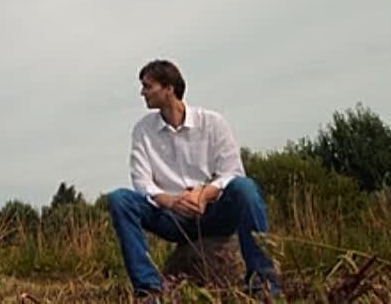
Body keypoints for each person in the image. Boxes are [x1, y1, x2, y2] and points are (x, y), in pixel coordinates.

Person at [107, 59, 281, 300]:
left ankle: (263, 284)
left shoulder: (213, 123)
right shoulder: (142, 130)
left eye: (148, 86)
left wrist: (203, 194)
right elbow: (142, 182)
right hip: (170, 216)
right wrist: (173, 201)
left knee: (245, 188)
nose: (142, 92)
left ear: (169, 89)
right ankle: (149, 290)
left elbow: (232, 171)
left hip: (211, 211)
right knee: (120, 199)